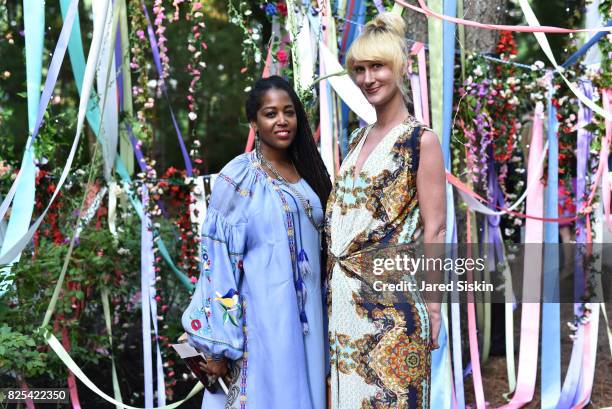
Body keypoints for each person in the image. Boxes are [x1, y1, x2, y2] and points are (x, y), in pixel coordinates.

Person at [182, 76, 332, 409]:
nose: (282, 120)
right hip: (262, 326)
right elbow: (217, 263)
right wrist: (220, 344)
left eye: (288, 112)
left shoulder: (307, 170)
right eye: (270, 113)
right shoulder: (239, 177)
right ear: (254, 122)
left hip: (309, 324)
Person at [326, 12, 446, 409]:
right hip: (345, 312)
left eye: (377, 66)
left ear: (399, 68)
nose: (367, 78)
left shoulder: (421, 141)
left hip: (393, 312)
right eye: (359, 69)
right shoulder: (358, 138)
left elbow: (436, 231)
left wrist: (433, 307)